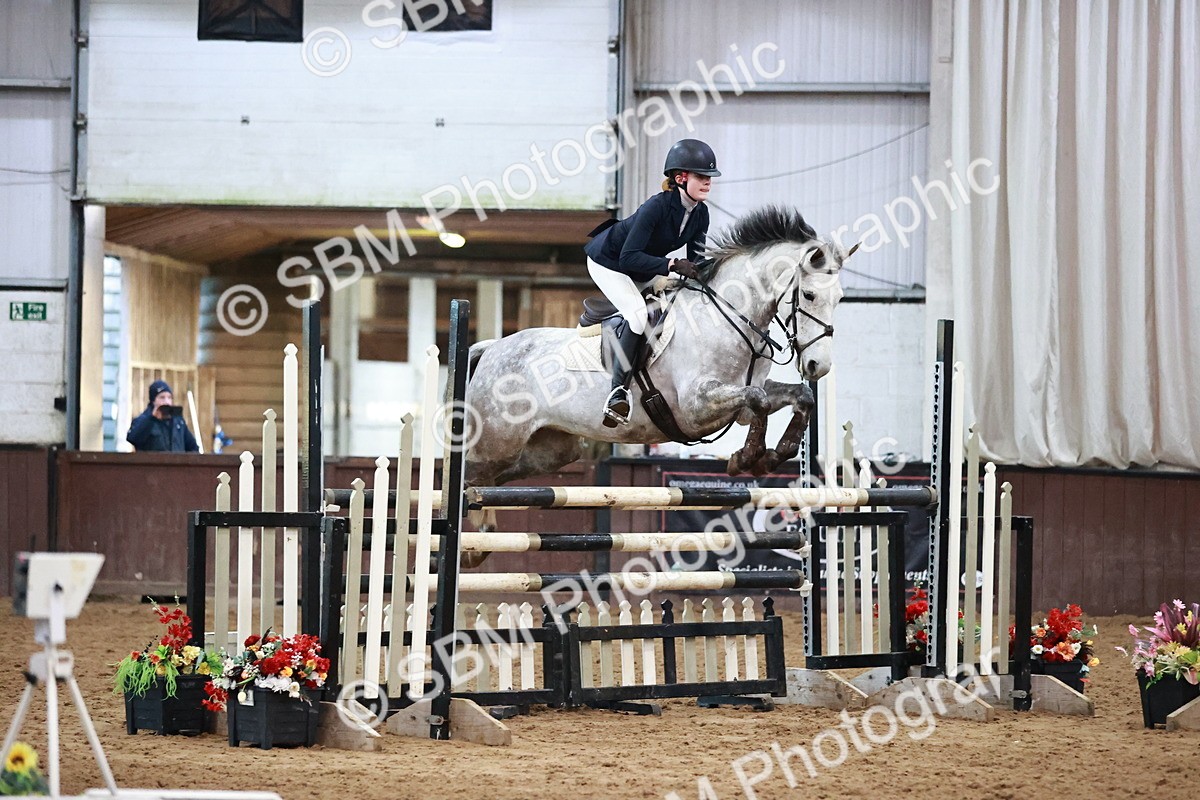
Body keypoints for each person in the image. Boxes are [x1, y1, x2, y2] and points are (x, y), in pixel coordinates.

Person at [583, 138, 718, 426]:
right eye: (702, 177)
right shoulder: (655, 208)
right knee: (638, 315)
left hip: (642, 267)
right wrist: (671, 265)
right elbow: (629, 258)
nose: (708, 183)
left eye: (710, 178)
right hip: (609, 262)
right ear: (681, 178)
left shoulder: (700, 213)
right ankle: (617, 392)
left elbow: (696, 262)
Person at [127, 380, 200, 452]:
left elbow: (193, 447)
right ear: (153, 400)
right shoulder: (143, 419)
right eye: (162, 397)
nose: (166, 402)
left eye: (169, 397)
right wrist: (152, 418)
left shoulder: (178, 422)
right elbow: (133, 438)